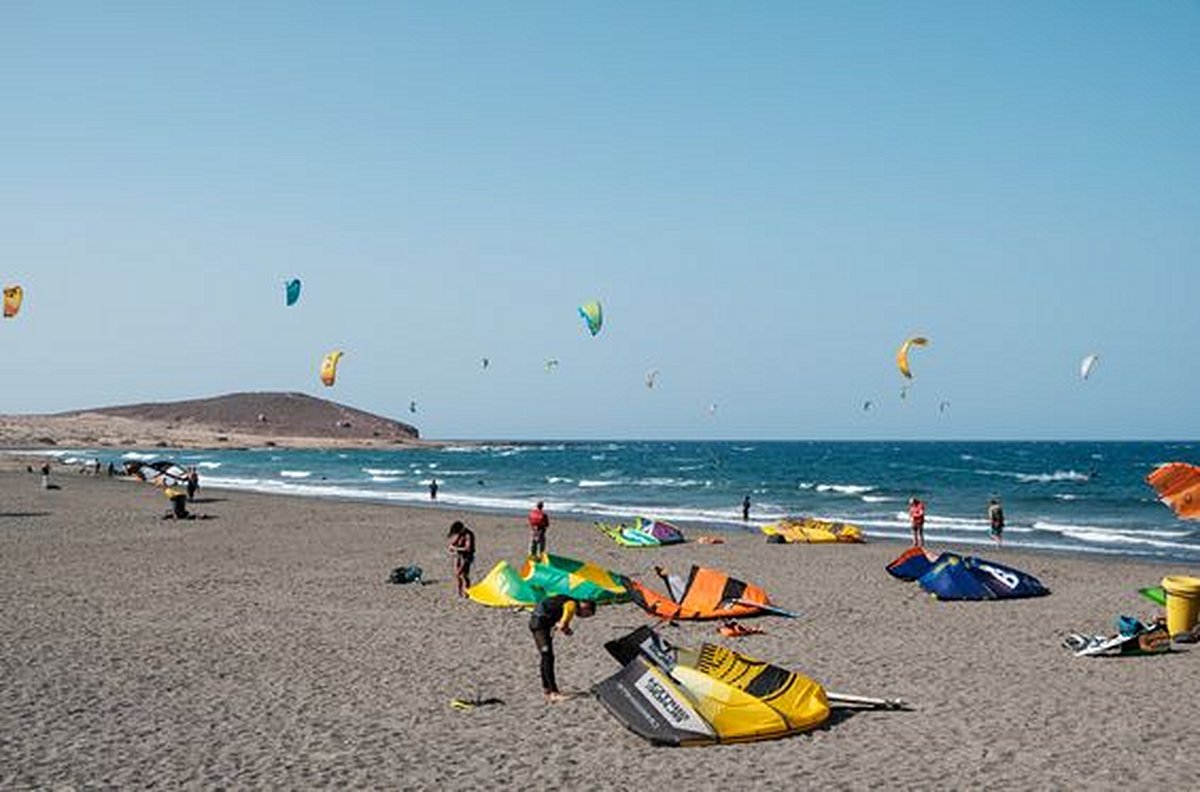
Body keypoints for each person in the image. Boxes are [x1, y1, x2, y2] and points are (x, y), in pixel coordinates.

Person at [528, 594, 595, 703]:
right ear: (586, 606)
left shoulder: (566, 600)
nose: (583, 617)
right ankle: (553, 693)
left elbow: (560, 614)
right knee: (547, 657)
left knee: (547, 657)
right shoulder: (573, 603)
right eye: (586, 615)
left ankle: (547, 690)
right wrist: (564, 624)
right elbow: (568, 610)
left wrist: (565, 627)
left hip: (540, 624)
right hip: (540, 624)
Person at [447, 520, 476, 597]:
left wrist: (456, 548)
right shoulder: (460, 534)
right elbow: (454, 542)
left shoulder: (468, 535)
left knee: (463, 575)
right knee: (457, 575)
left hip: (466, 557)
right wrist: (452, 546)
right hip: (459, 556)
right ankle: (459, 592)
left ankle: (467, 593)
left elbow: (468, 548)